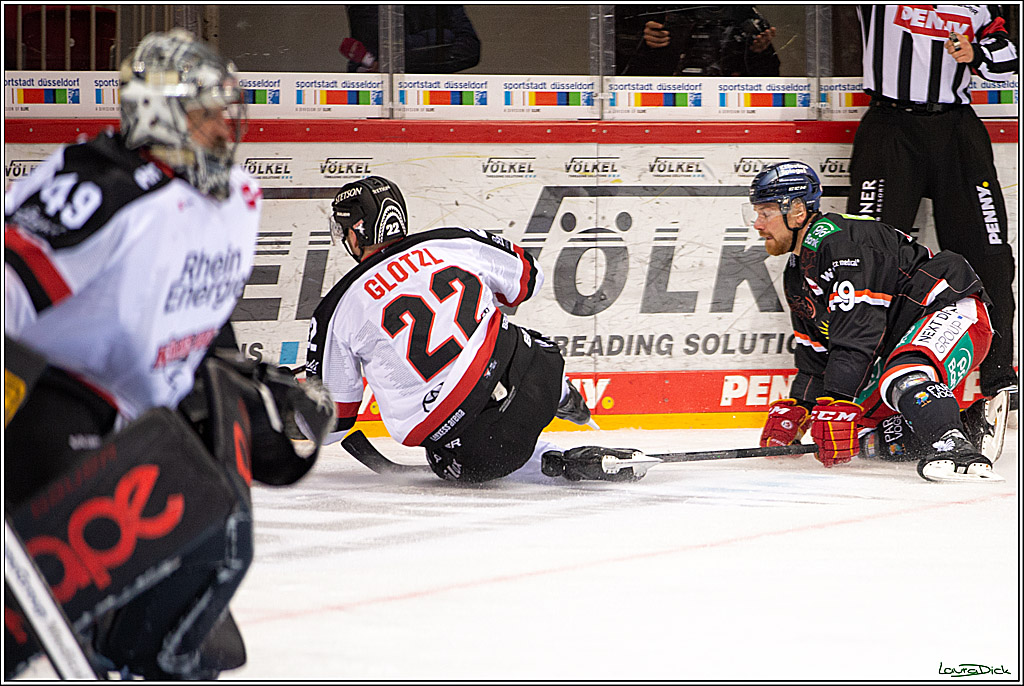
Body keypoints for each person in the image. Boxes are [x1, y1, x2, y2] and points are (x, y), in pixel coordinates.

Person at [4, 29, 331, 680]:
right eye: (205, 110)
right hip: (54, 405)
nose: (222, 125)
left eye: (223, 108)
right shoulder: (99, 186)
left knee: (216, 557)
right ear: (162, 112)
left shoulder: (239, 197)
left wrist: (247, 384)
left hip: (147, 427)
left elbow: (198, 317)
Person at [304, 176, 653, 484]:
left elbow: (333, 425)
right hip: (537, 378)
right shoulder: (453, 242)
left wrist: (296, 394)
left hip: (477, 451)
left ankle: (555, 461)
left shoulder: (335, 308)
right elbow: (529, 279)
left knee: (448, 456)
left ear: (358, 230)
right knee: (518, 340)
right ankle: (568, 400)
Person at [747, 161, 1004, 483]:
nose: (757, 224)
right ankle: (969, 425)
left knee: (905, 375)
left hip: (953, 310)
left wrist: (837, 401)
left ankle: (955, 448)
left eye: (766, 212)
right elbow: (816, 354)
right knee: (859, 434)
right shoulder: (797, 273)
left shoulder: (843, 244)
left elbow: (859, 332)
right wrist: (798, 407)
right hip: (901, 337)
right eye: (755, 213)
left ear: (797, 211)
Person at [846, 5, 1018, 425]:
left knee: (989, 255)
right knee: (867, 259)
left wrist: (976, 54)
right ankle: (860, 382)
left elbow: (1009, 61)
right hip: (890, 128)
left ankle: (998, 378)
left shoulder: (978, 6)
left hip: (956, 131)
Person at [615, 5, 779, 77]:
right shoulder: (649, 10)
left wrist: (758, 51)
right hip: (663, 102)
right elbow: (620, 79)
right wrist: (647, 45)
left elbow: (769, 80)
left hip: (724, 104)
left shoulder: (739, 11)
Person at [343, 5, 481, 73]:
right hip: (377, 100)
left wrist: (392, 62)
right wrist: (444, 38)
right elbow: (387, 50)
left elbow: (471, 50)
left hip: (429, 95)